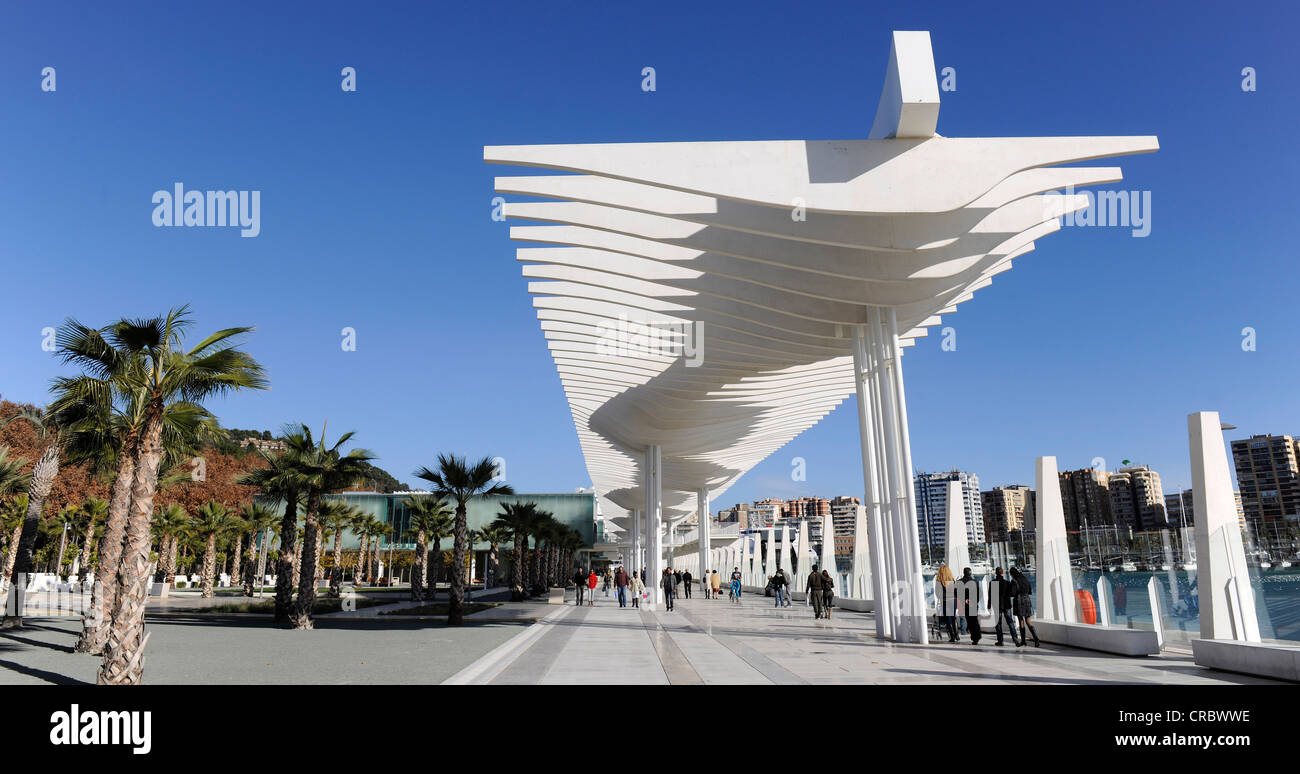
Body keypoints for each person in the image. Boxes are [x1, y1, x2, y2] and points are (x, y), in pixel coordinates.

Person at [989, 567, 1020, 646]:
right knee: (1010, 622)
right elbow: (1011, 594)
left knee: (998, 623)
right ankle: (1015, 639)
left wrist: (989, 605)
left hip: (997, 605)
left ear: (995, 573)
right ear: (1003, 573)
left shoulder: (992, 582)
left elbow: (990, 595)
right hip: (1006, 605)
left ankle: (1000, 641)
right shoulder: (1007, 582)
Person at [1009, 566, 1039, 647]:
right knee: (1028, 621)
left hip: (1019, 600)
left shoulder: (1014, 581)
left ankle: (1023, 641)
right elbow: (1030, 590)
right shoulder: (1025, 578)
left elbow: (1012, 593)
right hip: (1027, 599)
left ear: (1012, 574)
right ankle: (1036, 639)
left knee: (1021, 620)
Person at [958, 567, 982, 644]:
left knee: (969, 621)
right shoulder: (975, 582)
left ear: (964, 573)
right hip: (974, 604)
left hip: (965, 604)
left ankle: (974, 637)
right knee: (975, 620)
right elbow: (979, 593)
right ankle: (977, 636)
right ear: (970, 573)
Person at [935, 564, 958, 642]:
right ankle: (956, 635)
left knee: (948, 619)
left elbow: (937, 592)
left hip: (945, 601)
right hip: (953, 600)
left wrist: (940, 597)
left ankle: (952, 637)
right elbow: (956, 591)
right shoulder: (953, 580)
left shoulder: (939, 582)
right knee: (953, 617)